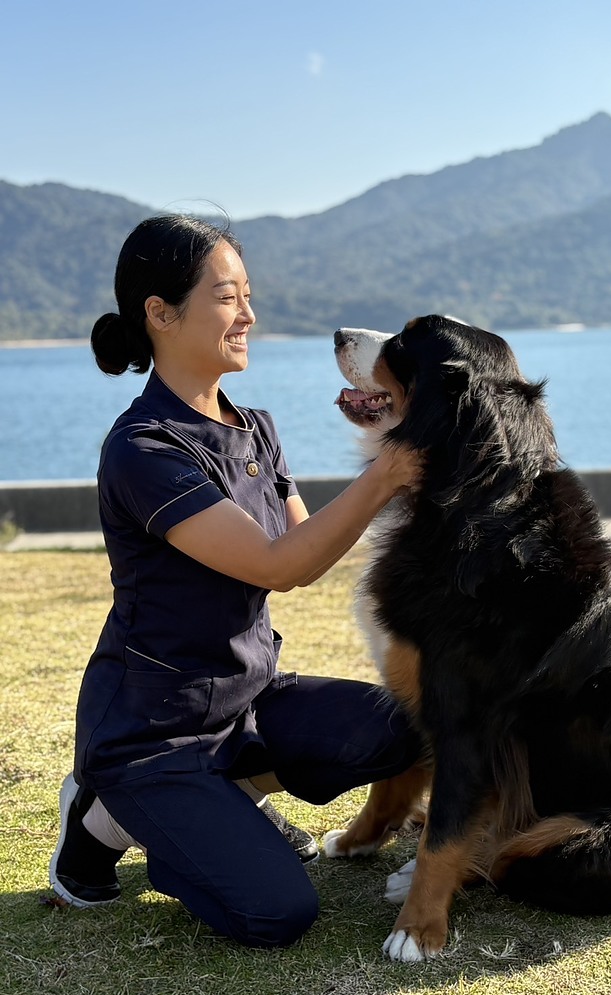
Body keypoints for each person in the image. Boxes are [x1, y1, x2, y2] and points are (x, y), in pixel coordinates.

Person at [49, 214, 424, 948]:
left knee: (409, 728)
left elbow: (303, 555)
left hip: (246, 701)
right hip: (153, 730)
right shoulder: (144, 448)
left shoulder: (253, 426)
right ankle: (103, 819)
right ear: (160, 314)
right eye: (227, 296)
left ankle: (224, 798)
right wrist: (388, 472)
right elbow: (278, 564)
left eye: (248, 294)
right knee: (277, 913)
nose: (248, 314)